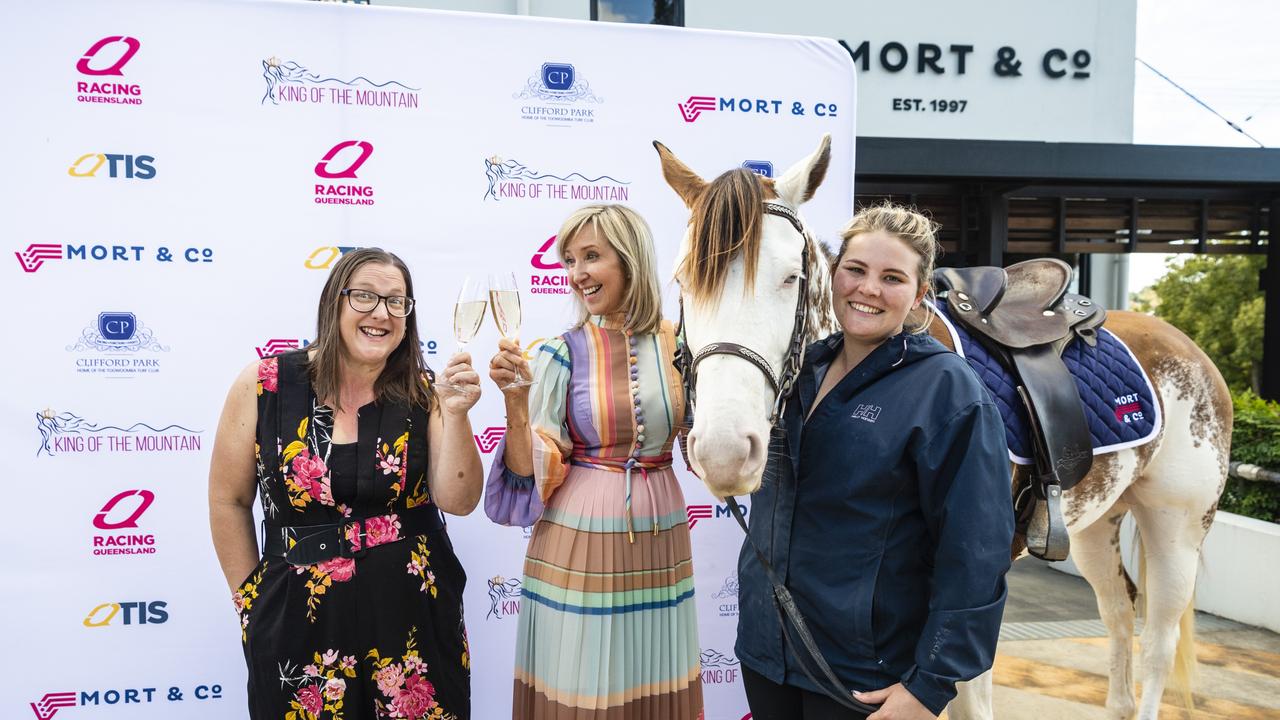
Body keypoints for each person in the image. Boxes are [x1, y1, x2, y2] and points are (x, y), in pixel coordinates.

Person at [737, 203, 1015, 720]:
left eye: (892, 277)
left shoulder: (947, 391)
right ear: (833, 273)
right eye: (857, 270)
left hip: (865, 678)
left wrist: (930, 685)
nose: (868, 289)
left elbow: (975, 551)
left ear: (919, 295)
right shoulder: (798, 368)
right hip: (766, 651)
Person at [209, 248, 484, 720]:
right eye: (365, 297)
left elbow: (458, 501)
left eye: (397, 302)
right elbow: (228, 499)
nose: (381, 313)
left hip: (411, 617)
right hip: (296, 618)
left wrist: (456, 415)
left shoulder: (425, 392)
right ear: (333, 302)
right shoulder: (265, 384)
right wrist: (250, 600)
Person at [486, 204, 703, 720]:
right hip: (581, 534)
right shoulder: (561, 353)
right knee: (587, 686)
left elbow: (704, 442)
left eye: (591, 256)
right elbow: (530, 473)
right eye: (569, 260)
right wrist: (516, 407)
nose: (577, 273)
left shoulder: (682, 345)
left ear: (629, 259)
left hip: (661, 530)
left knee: (655, 680)